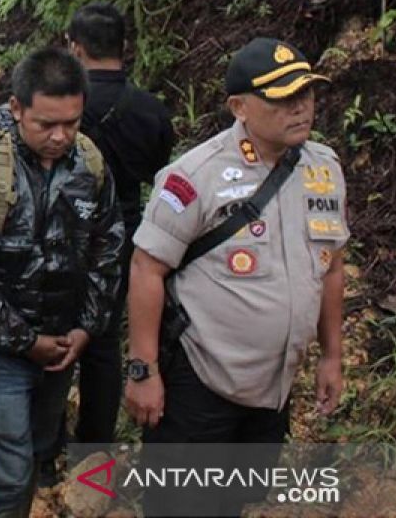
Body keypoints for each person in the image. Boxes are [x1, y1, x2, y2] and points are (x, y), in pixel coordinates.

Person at [124, 37, 348, 518]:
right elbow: (147, 267)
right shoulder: (195, 176)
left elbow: (331, 270)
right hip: (200, 379)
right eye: (282, 98)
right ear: (239, 106)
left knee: (235, 500)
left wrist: (332, 356)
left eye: (306, 94)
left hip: (273, 384)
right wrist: (143, 370)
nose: (300, 108)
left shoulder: (324, 170)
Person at [0, 48, 125, 517]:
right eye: (46, 124)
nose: (60, 136)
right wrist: (25, 342)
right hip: (1, 350)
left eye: (71, 122)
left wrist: (86, 328)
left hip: (63, 342)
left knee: (42, 445)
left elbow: (108, 248)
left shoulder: (89, 164)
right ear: (17, 108)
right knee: (8, 473)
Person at [66, 2, 175, 447]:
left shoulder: (61, 104)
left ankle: (45, 449)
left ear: (74, 48)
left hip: (63, 233)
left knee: (51, 333)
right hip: (127, 233)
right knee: (104, 341)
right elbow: (160, 171)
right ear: (125, 47)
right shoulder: (149, 110)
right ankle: (94, 446)